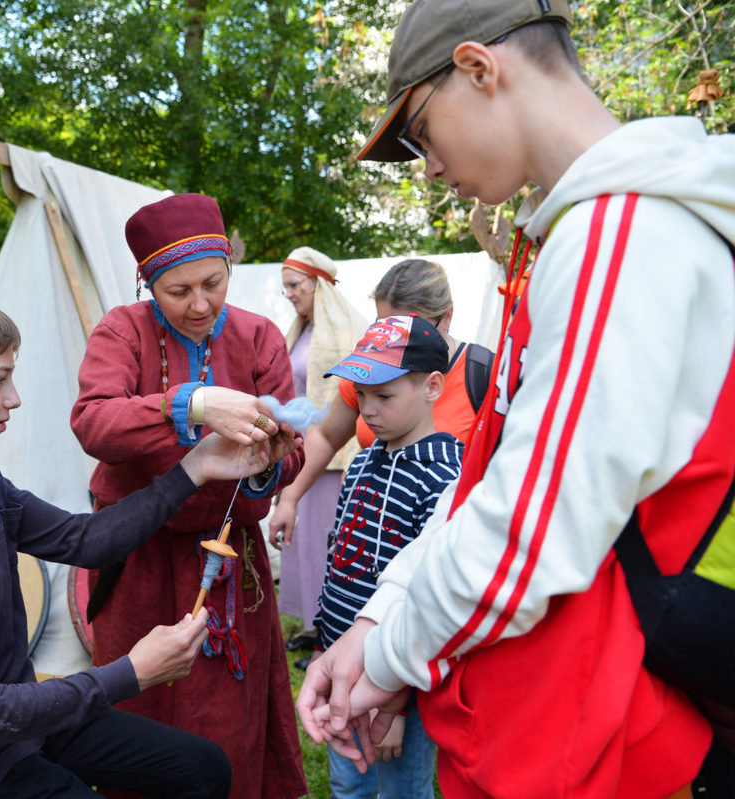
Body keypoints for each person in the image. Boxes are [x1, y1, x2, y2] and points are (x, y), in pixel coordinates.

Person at [296, 1, 735, 797]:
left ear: (478, 68)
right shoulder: (584, 232)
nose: (427, 165)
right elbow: (493, 474)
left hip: (643, 716)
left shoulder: (618, 232)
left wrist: (393, 652)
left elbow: (530, 530)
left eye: (423, 133)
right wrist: (380, 620)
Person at [0, 288, 288, 798]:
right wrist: (132, 672)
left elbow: (85, 540)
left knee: (201, 767)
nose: (13, 398)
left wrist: (196, 467)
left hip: (25, 728)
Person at [70, 193, 308, 799]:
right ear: (150, 285)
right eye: (179, 291)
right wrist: (193, 403)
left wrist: (265, 465)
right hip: (141, 557)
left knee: (226, 719)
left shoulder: (258, 338)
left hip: (229, 562)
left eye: (213, 282)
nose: (200, 304)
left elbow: (294, 450)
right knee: (140, 711)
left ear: (230, 267)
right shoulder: (123, 329)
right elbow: (93, 421)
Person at [270, 259, 491, 672]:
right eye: (383, 325)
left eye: (411, 326)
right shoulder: (371, 372)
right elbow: (325, 435)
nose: (393, 341)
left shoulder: (483, 376)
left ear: (447, 318)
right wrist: (290, 497)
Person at [313, 314, 463, 799]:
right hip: (342, 663)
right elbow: (341, 561)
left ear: (433, 387)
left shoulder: (445, 478)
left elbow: (426, 599)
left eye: (384, 396)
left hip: (398, 681)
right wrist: (325, 640)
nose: (368, 411)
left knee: (401, 789)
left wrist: (396, 706)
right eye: (361, 395)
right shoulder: (361, 461)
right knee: (348, 784)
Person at [271, 246, 367, 668]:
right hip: (301, 455)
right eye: (286, 287)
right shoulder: (302, 331)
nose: (289, 294)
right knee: (303, 543)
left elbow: (350, 402)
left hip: (333, 462)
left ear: (317, 283)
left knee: (328, 544)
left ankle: (333, 633)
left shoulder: (349, 331)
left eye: (294, 285)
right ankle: (313, 626)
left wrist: (346, 458)